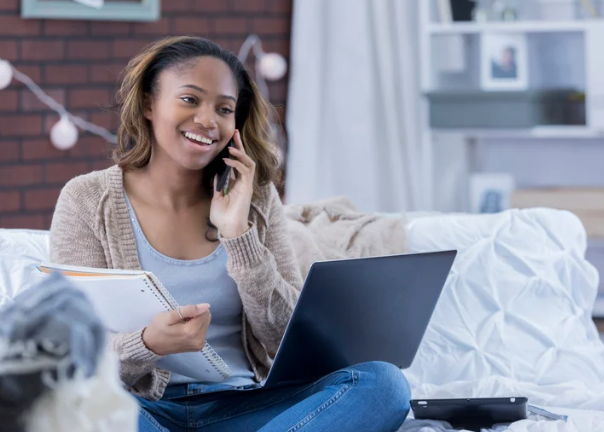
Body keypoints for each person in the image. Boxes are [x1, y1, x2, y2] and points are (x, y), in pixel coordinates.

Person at [49, 36, 410, 432]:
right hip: (141, 410)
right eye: (189, 99)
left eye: (224, 109)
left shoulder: (255, 199)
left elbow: (283, 337)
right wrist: (148, 343)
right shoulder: (86, 200)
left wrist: (239, 235)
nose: (207, 120)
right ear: (150, 104)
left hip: (244, 406)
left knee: (384, 384)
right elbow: (71, 358)